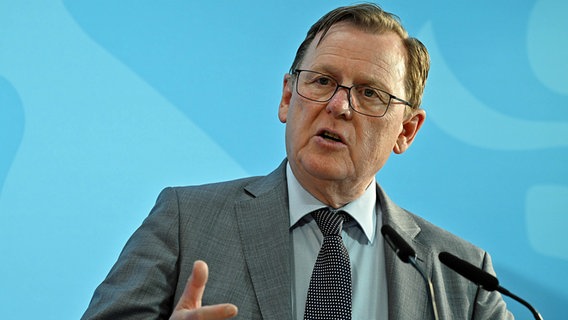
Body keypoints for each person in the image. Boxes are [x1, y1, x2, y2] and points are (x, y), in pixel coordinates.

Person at [82, 3, 514, 320]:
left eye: (369, 93)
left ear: (406, 131)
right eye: (323, 81)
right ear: (288, 97)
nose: (339, 106)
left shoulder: (463, 276)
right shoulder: (186, 220)